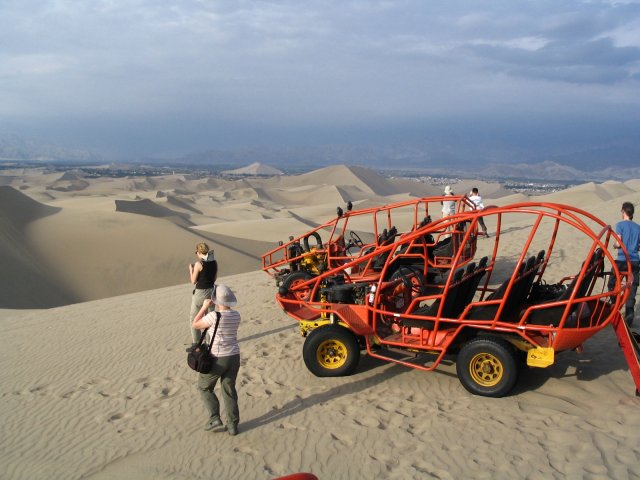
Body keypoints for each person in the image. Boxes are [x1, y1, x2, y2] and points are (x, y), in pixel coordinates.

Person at [192, 284, 241, 435]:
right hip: (234, 356)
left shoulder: (213, 316)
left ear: (216, 300)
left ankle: (214, 417)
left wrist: (204, 306)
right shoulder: (236, 315)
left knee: (203, 387)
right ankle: (232, 425)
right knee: (229, 389)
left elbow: (195, 324)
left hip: (218, 358)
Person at [608, 202, 640, 326]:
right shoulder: (638, 227)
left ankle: (615, 308)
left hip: (622, 260)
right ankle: (629, 319)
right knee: (632, 290)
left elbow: (618, 242)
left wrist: (615, 246)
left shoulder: (620, 225)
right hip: (635, 262)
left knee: (611, 284)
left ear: (623, 212)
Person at [188, 242, 218, 350]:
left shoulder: (198, 264)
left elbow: (193, 281)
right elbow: (214, 279)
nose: (196, 254)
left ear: (200, 252)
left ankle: (196, 343)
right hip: (211, 292)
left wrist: (191, 270)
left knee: (194, 318)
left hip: (200, 293)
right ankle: (209, 343)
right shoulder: (214, 262)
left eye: (197, 252)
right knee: (209, 318)